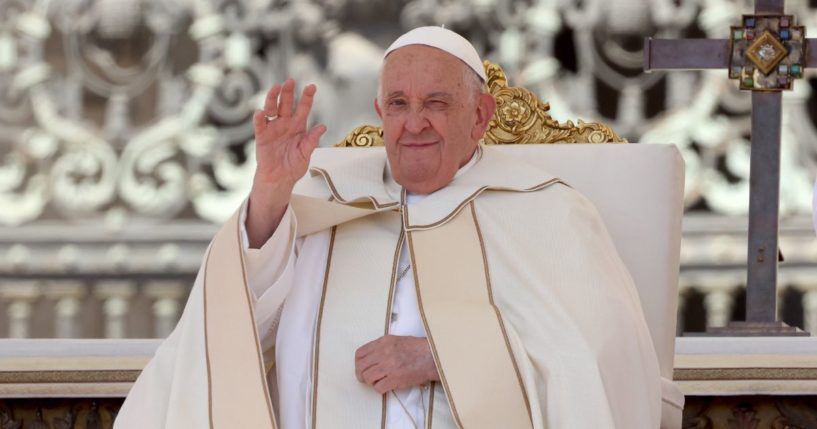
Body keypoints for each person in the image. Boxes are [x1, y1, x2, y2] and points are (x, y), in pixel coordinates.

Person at [115, 27, 661, 428]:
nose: (414, 122)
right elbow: (234, 323)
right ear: (380, 112)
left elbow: (598, 362)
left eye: (436, 103)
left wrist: (440, 356)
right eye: (399, 104)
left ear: (481, 116)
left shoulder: (547, 211)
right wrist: (271, 191)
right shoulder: (322, 194)